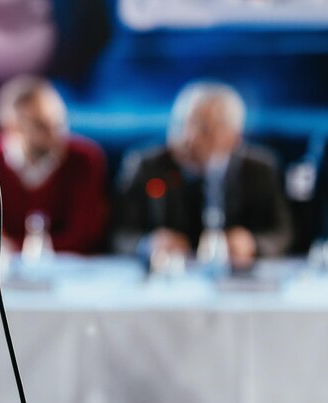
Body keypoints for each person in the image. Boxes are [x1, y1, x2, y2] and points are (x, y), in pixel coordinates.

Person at [113, 81, 293, 269]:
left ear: (234, 137)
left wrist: (252, 244)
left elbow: (283, 233)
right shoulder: (146, 165)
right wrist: (147, 244)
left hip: (234, 281)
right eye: (183, 124)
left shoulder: (259, 170)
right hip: (167, 280)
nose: (189, 137)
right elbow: (119, 235)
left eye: (205, 129)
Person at [0, 75, 109, 260]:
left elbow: (87, 235)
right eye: (41, 125)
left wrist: (16, 248)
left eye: (59, 121)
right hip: (0, 271)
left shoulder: (84, 158)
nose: (56, 132)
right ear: (12, 127)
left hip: (67, 274)